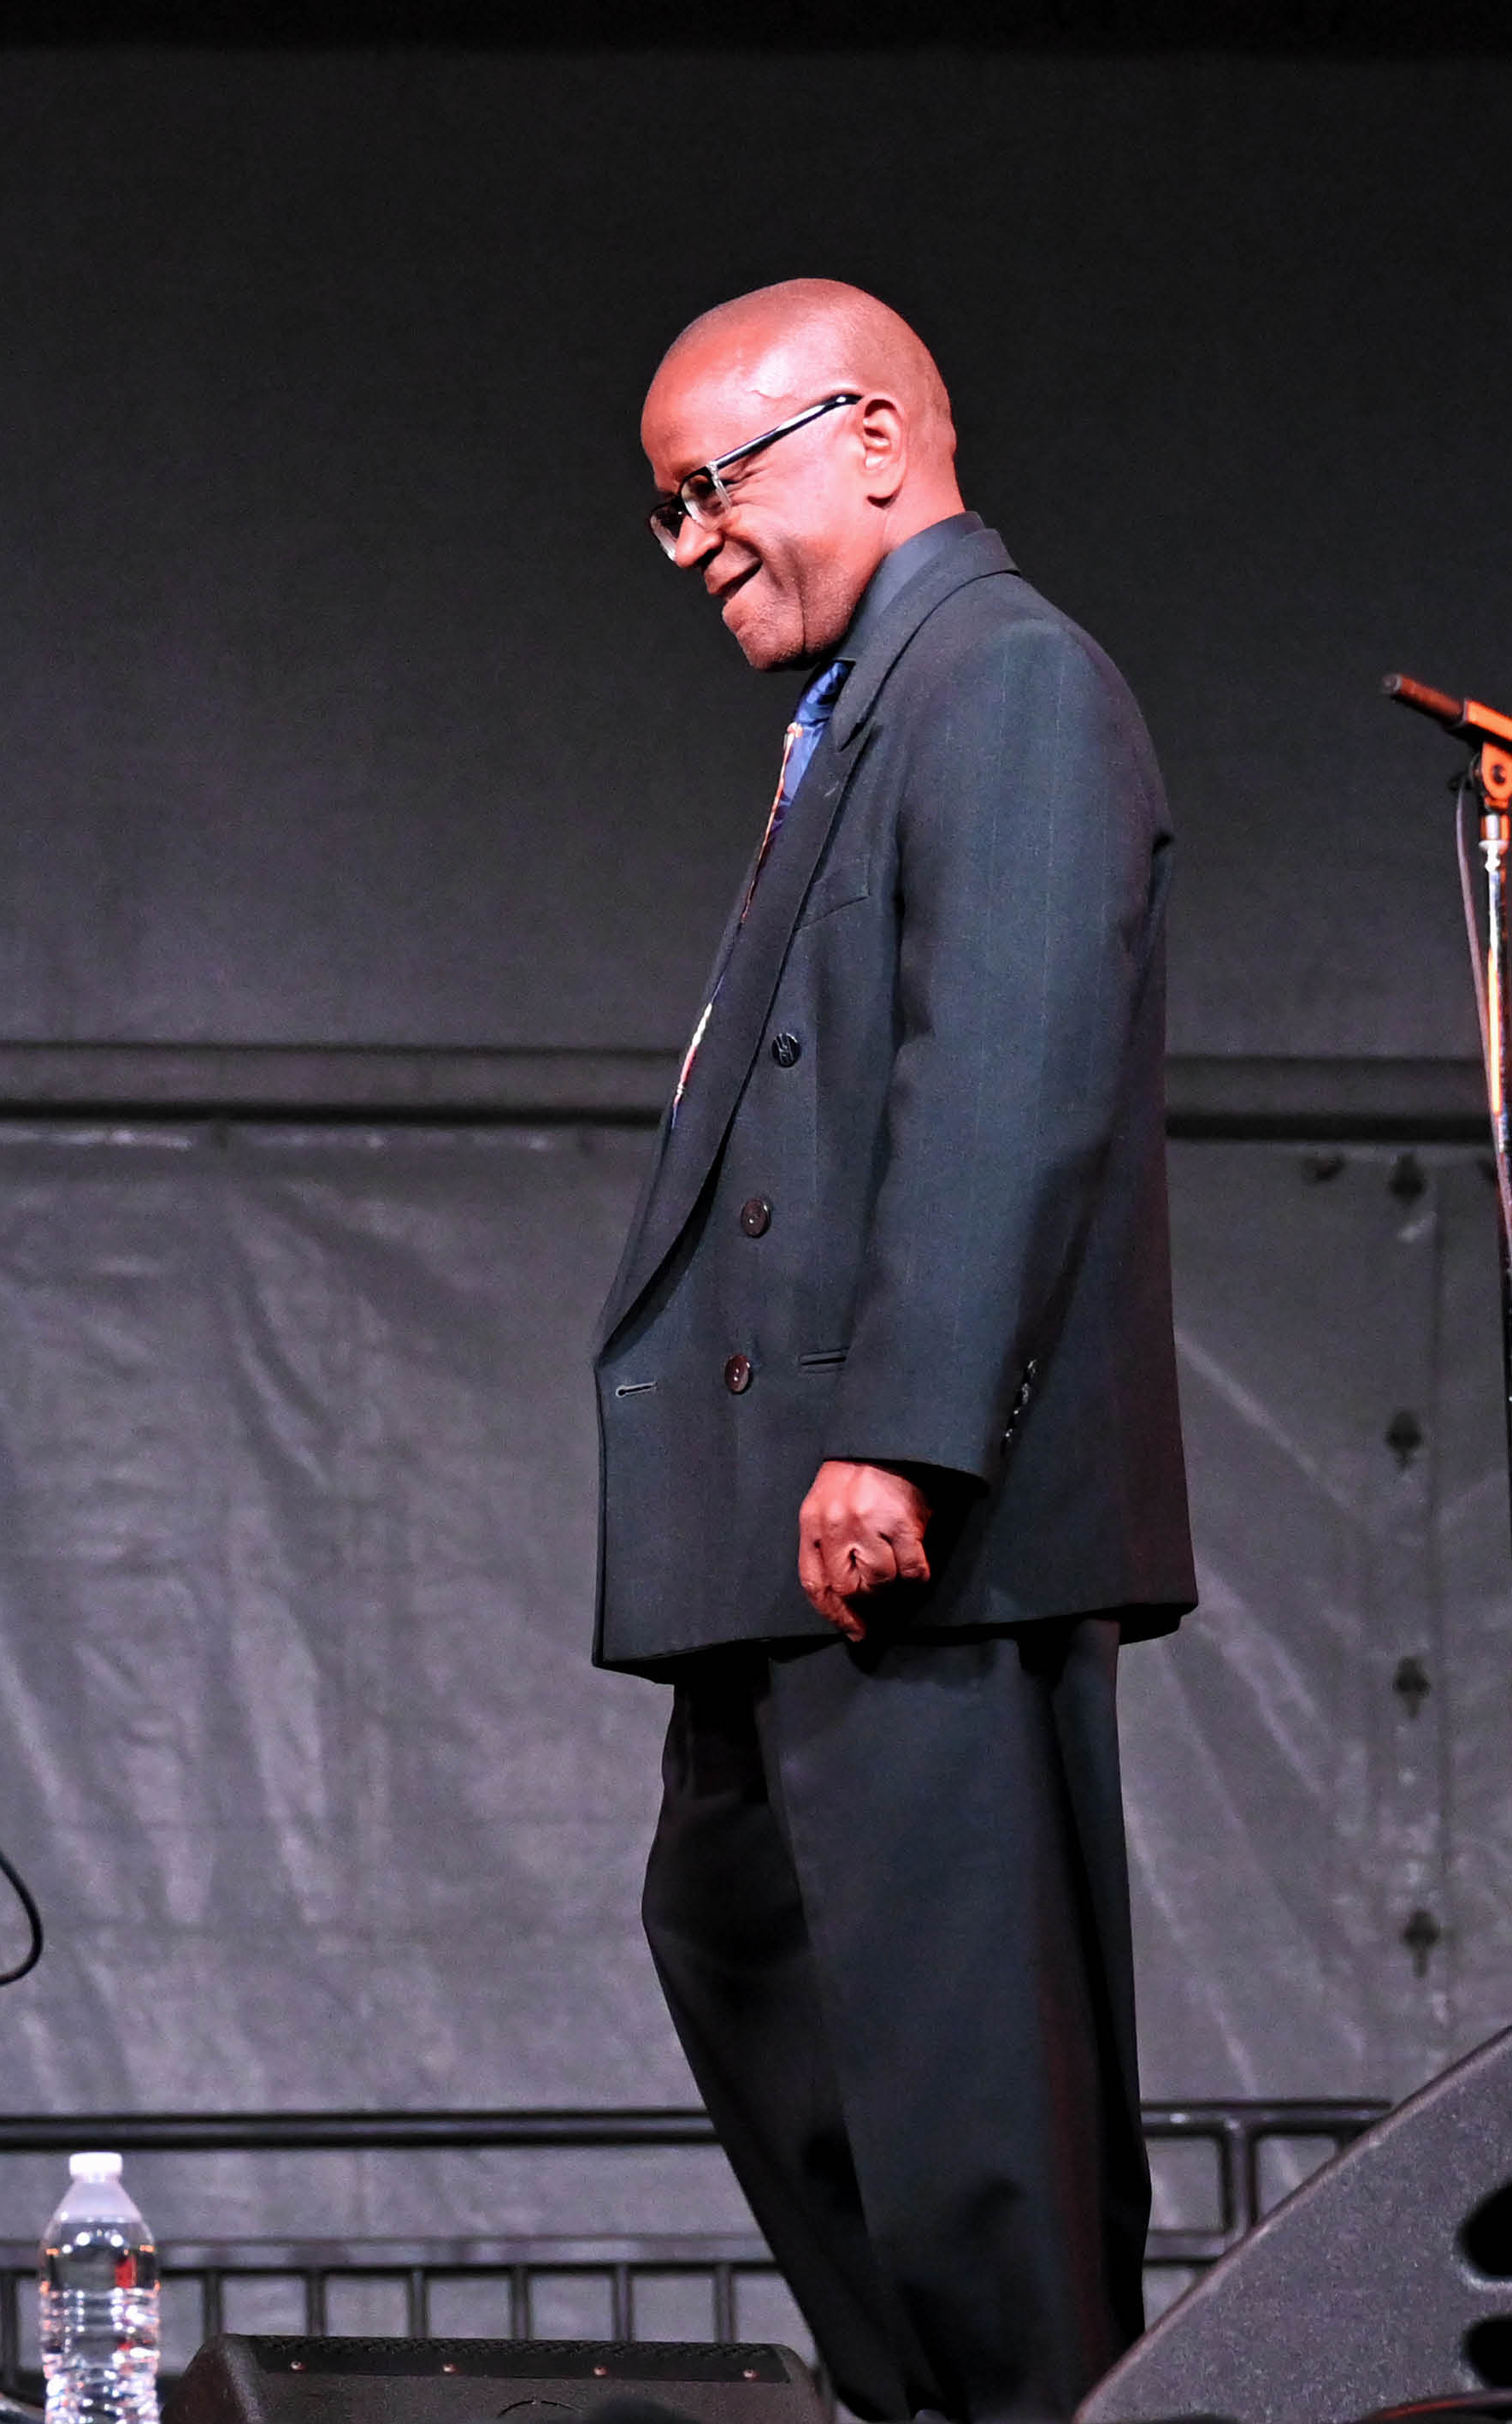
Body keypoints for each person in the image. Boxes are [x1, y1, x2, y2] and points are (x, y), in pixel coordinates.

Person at [594, 281, 1194, 2422]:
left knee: (965, 2132)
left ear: (870, 435)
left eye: (709, 488)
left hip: (909, 1534)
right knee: (762, 1965)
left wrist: (905, 1440)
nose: (691, 549)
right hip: (798, 1547)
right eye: (662, 511)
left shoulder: (1004, 682)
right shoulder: (875, 705)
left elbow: (1003, 1076)